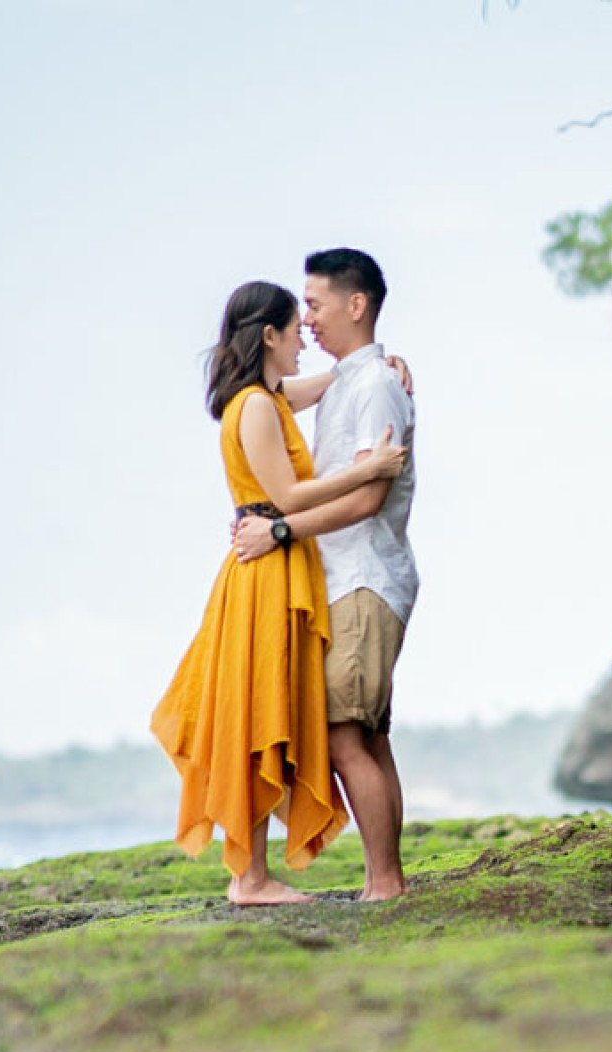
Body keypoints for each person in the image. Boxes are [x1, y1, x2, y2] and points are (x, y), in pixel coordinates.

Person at [151, 280, 408, 905]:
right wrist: (368, 470)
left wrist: (385, 365)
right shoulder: (257, 406)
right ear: (269, 335)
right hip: (267, 564)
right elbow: (288, 496)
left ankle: (255, 874)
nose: (305, 339)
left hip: (278, 561)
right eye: (296, 329)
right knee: (257, 715)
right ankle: (251, 877)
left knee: (266, 714)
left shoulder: (267, 397)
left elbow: (334, 381)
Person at [235, 248, 417, 904]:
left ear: (355, 304)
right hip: (344, 578)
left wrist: (281, 530)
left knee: (344, 736)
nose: (306, 319)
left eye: (314, 304)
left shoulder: (373, 387)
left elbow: (369, 496)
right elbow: (260, 390)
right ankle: (384, 880)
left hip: (363, 577)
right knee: (366, 736)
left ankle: (385, 884)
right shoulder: (351, 381)